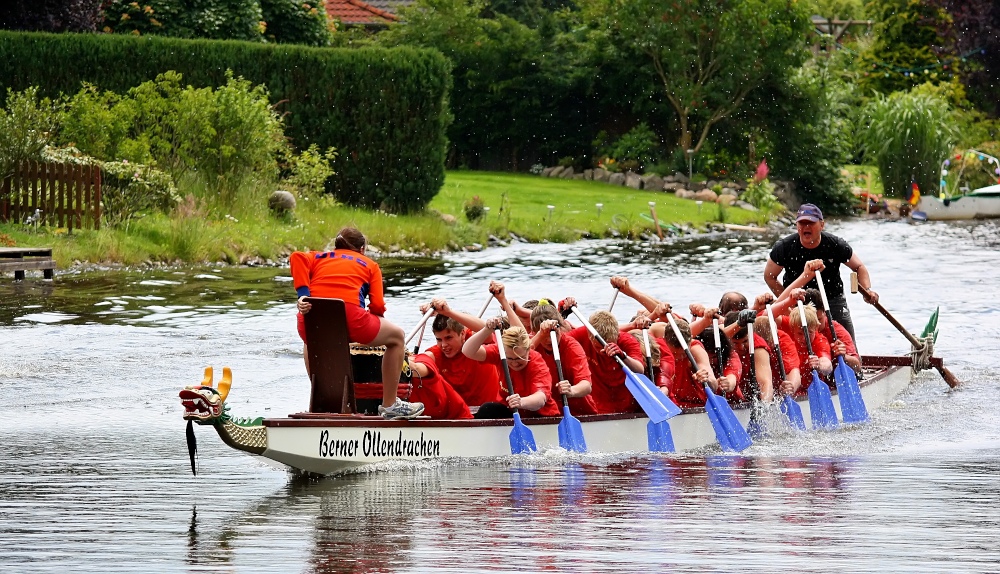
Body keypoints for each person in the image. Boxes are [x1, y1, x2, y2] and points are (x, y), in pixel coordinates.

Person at [291, 227, 424, 420]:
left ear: (336, 246)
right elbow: (377, 305)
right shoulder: (370, 265)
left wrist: (303, 295)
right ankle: (390, 405)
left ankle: (321, 400)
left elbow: (296, 257)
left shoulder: (317, 257)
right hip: (352, 320)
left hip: (311, 317)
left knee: (310, 340)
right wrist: (374, 318)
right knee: (397, 337)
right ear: (362, 249)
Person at [763, 203, 878, 343]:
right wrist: (788, 301)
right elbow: (769, 276)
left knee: (847, 342)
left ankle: (852, 360)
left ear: (822, 225)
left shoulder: (835, 244)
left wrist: (867, 290)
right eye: (802, 223)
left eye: (810, 223)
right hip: (799, 301)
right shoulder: (784, 247)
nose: (806, 227)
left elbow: (859, 267)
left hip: (832, 300)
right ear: (797, 225)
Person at [462, 317, 560, 419]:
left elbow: (540, 399)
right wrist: (487, 329)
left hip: (540, 416)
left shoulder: (537, 365)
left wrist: (521, 402)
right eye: (510, 358)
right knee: (487, 409)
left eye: (519, 358)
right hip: (512, 412)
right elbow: (468, 351)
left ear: (528, 350)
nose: (514, 363)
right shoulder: (500, 352)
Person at [414, 298, 501, 408]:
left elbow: (489, 330)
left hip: (489, 410)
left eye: (448, 338)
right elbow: (419, 365)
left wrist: (447, 312)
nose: (444, 345)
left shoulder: (476, 339)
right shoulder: (434, 354)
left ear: (463, 334)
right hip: (460, 414)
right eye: (439, 340)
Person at [530, 303, 600, 415]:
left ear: (560, 328)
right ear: (534, 332)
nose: (549, 340)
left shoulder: (571, 346)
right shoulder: (532, 343)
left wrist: (571, 390)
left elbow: (586, 385)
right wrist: (539, 336)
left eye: (553, 333)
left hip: (577, 412)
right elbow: (519, 356)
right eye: (545, 335)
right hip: (543, 411)